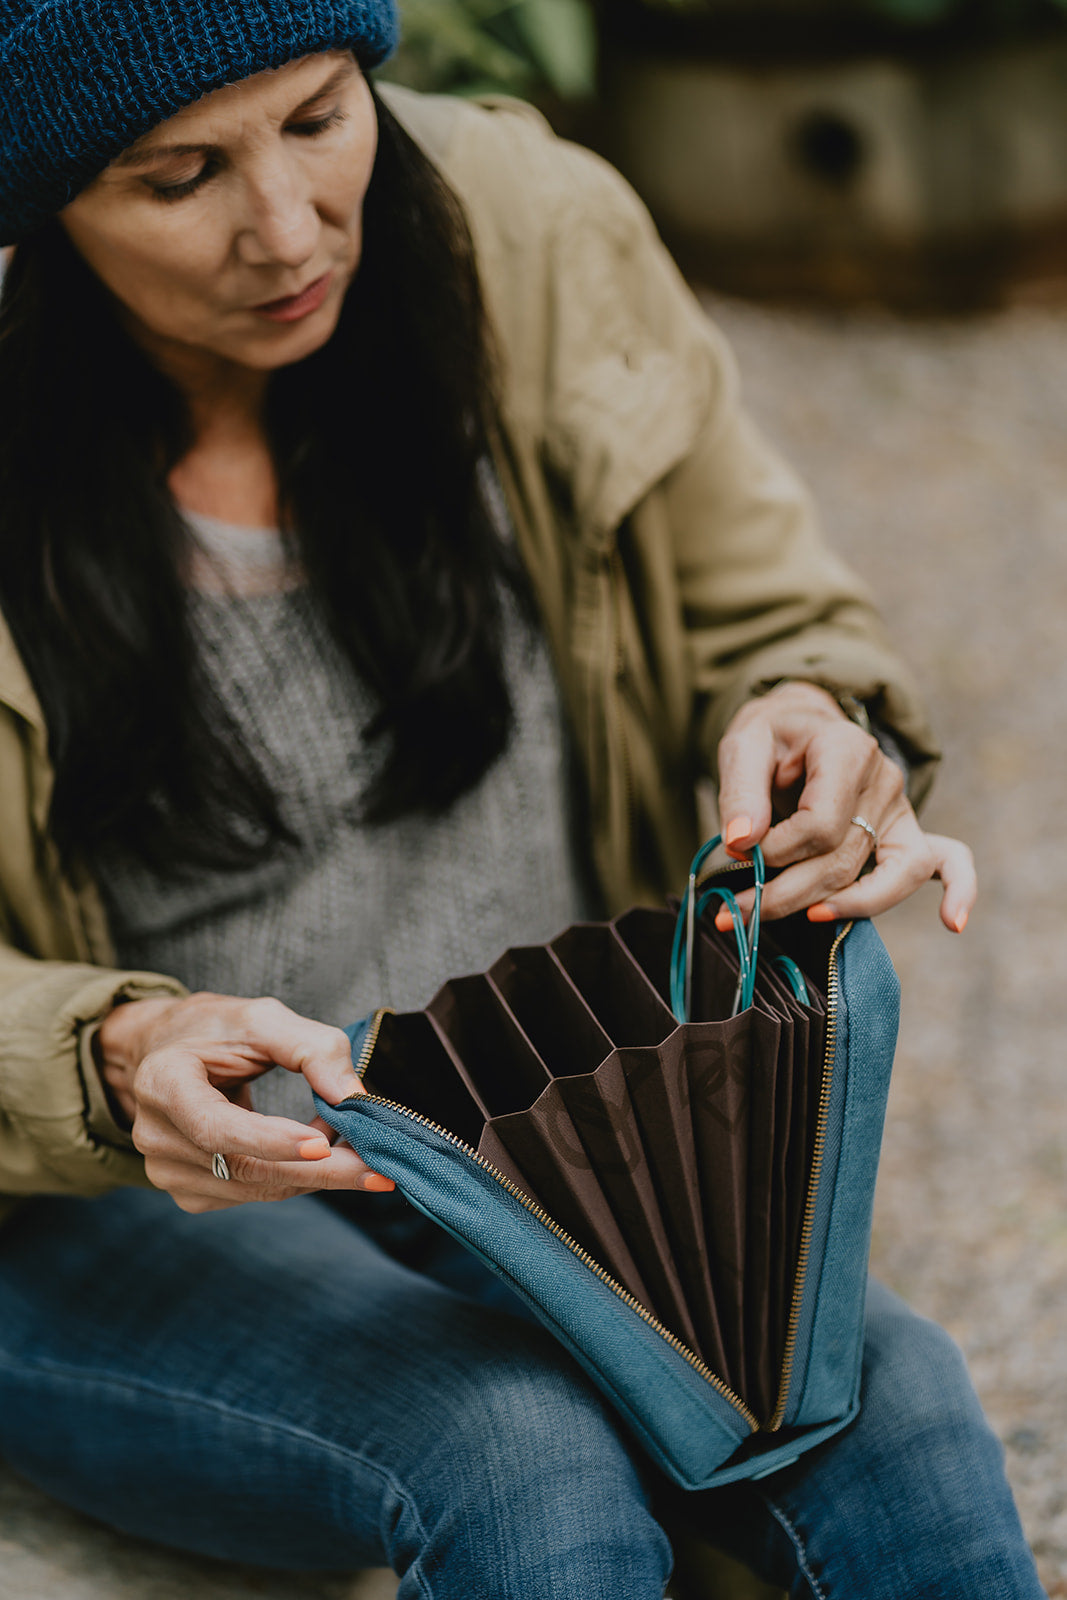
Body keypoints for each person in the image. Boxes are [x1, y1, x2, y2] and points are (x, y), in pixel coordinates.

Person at [0, 2, 1040, 1596]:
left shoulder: (528, 233)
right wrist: (108, 1053)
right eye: (175, 175)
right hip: (125, 1200)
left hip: (542, 1127)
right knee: (516, 1451)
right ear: (37, 201)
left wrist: (803, 711)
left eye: (320, 118)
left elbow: (764, 611)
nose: (284, 228)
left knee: (893, 1415)